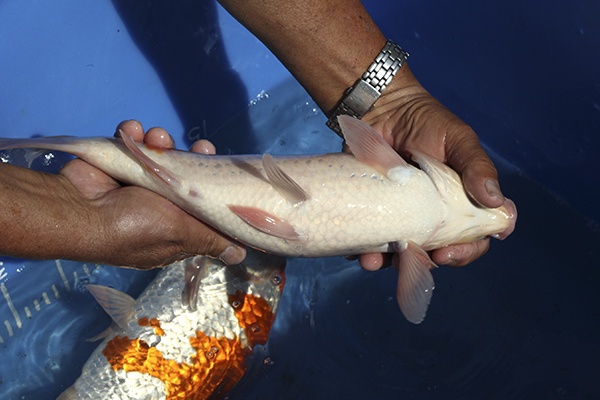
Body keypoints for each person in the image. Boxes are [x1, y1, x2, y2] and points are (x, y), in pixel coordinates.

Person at [0, 0, 513, 270]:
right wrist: (72, 225)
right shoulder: (413, 194)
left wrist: (394, 101)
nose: (497, 211)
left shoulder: (411, 183)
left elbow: (367, 135)